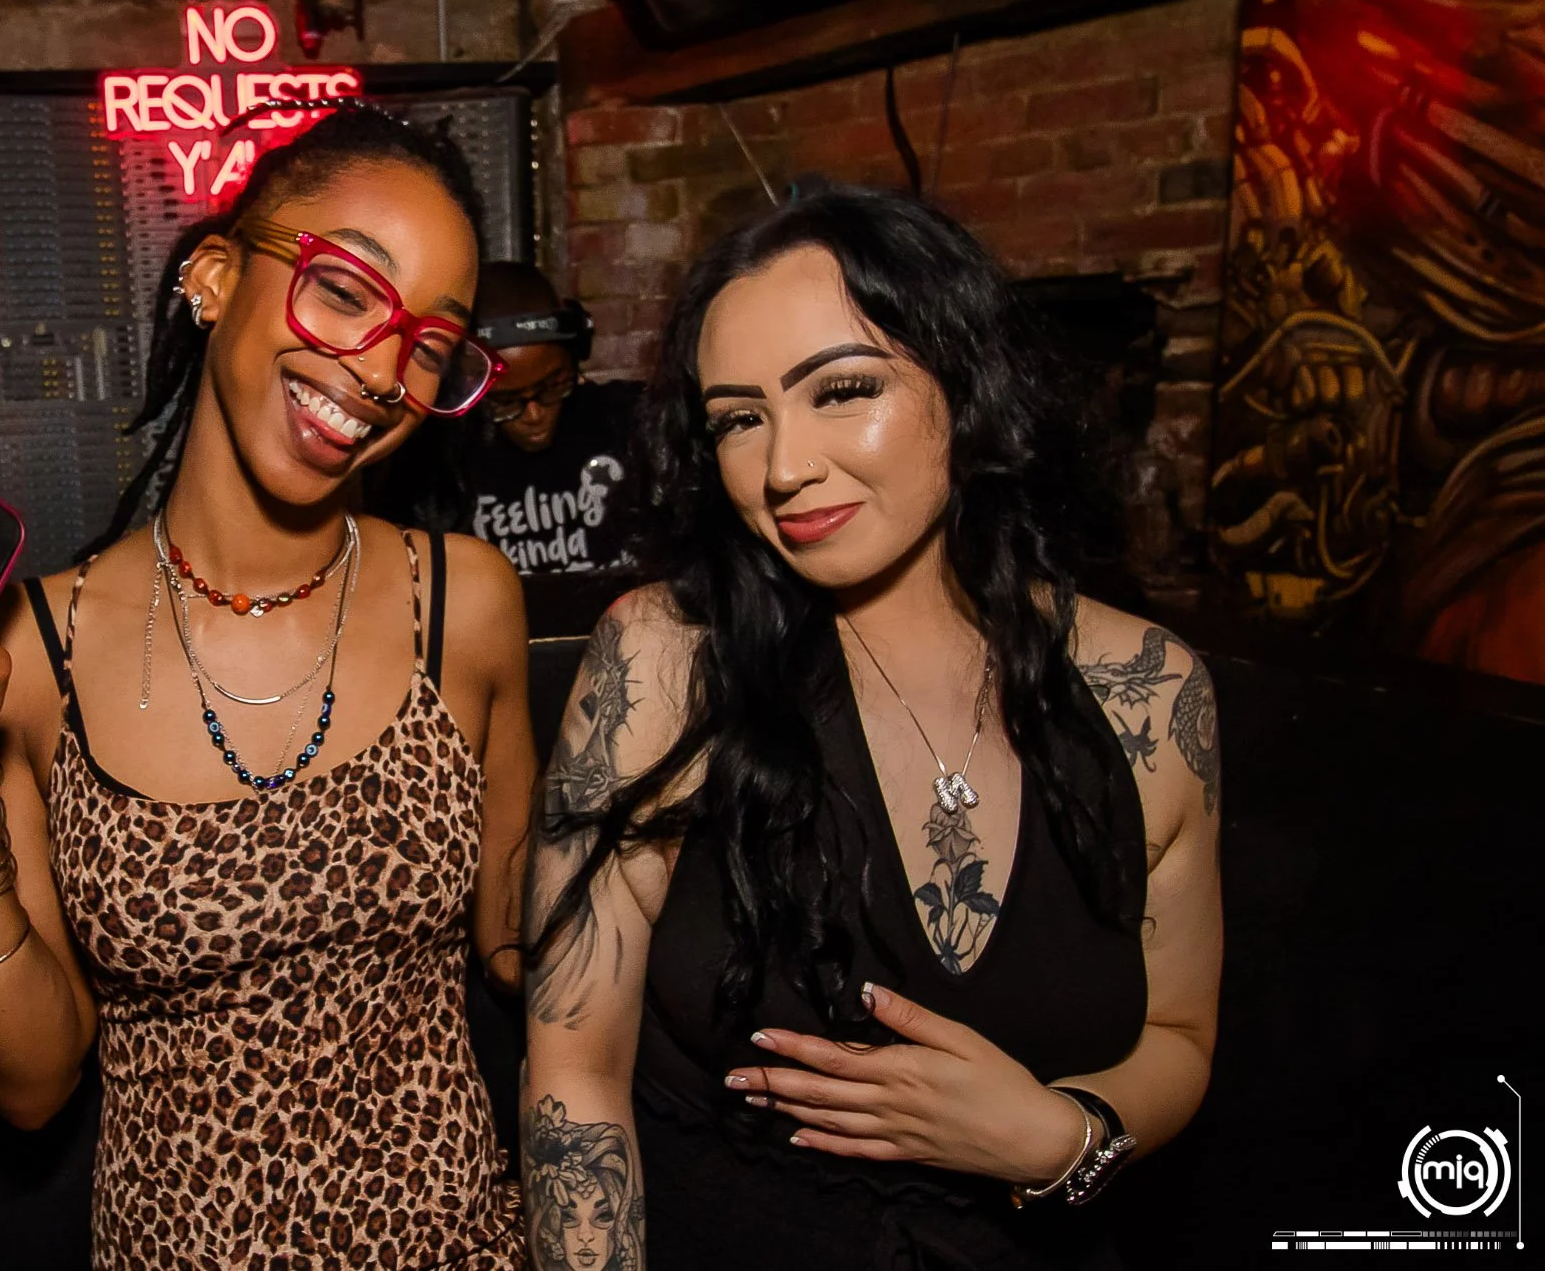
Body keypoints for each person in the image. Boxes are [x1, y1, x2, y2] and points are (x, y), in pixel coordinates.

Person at [0, 105, 534, 1268]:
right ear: (214, 278)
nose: (382, 372)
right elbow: (31, 1084)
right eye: (342, 290)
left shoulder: (464, 603)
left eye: (429, 347)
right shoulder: (31, 654)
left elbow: (526, 950)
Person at [520, 186, 1223, 1269]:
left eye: (842, 390)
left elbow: (1177, 1035)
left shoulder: (1149, 691)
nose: (782, 467)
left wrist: (1058, 1137)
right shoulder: (665, 660)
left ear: (967, 380)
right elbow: (572, 1072)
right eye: (739, 418)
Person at [365, 263, 637, 575]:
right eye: (506, 402)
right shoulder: (434, 464)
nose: (534, 414)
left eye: (554, 385)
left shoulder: (629, 421)